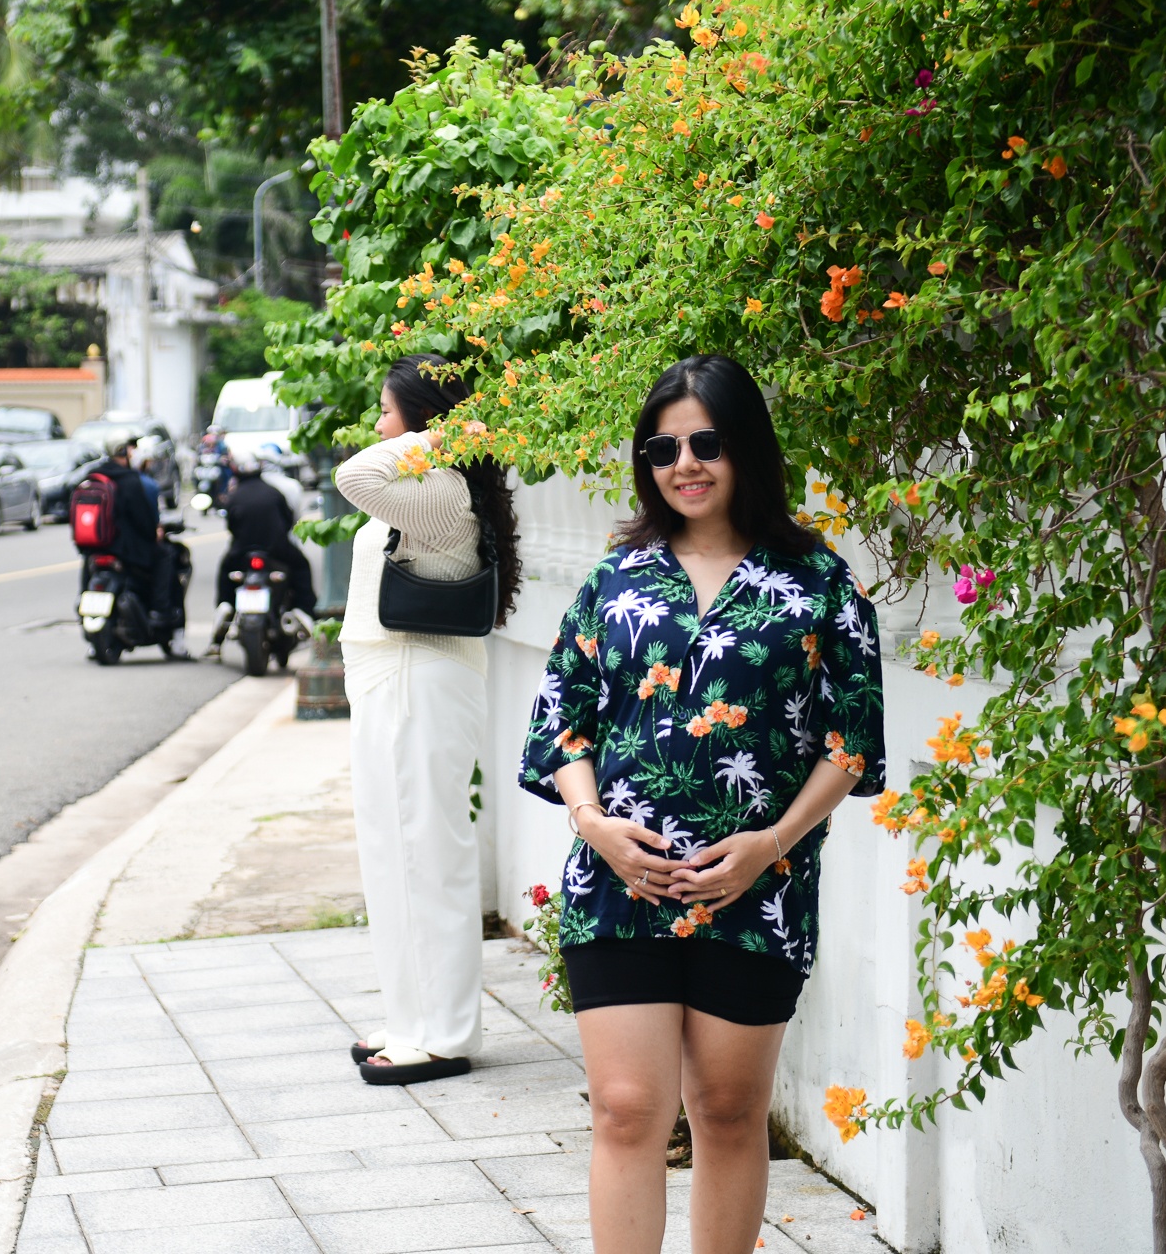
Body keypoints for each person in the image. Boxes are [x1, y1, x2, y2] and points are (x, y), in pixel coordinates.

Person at [519, 355, 885, 1254]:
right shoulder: (616, 579)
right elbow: (562, 717)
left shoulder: (820, 583)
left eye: (707, 443)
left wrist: (775, 841)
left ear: (747, 448)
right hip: (619, 886)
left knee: (726, 1112)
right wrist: (594, 825)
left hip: (758, 891)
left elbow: (853, 740)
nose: (685, 463)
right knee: (627, 1108)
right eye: (664, 447)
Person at [334, 354, 522, 1085]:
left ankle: (443, 1034)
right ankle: (413, 1019)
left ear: (423, 421)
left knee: (426, 853)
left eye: (388, 412)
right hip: (392, 676)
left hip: (419, 679)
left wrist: (448, 436)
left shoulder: (441, 488)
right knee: (392, 853)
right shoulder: (428, 487)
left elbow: (354, 476)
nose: (379, 427)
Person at [205, 451, 316, 658]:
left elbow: (232, 526)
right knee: (301, 565)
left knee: (225, 571)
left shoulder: (234, 496)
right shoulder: (273, 492)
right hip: (277, 549)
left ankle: (225, 604)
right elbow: (288, 520)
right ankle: (305, 608)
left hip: (242, 551)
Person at [88, 439, 188, 657]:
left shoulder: (94, 477)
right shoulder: (133, 481)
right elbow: (145, 521)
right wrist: (154, 532)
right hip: (128, 549)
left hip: (98, 547)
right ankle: (161, 611)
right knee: (166, 556)